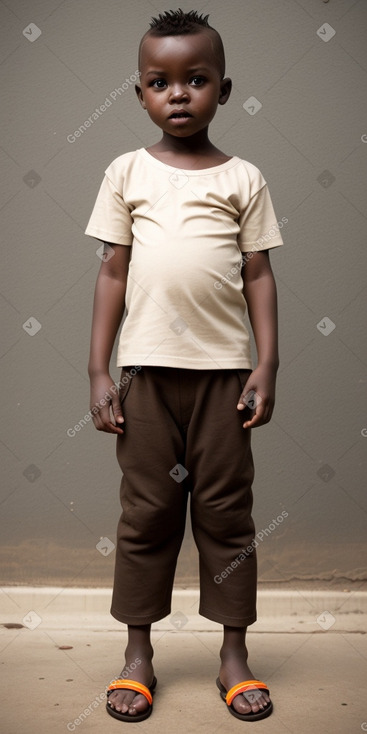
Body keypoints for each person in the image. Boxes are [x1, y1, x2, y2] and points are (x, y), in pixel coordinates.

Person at [85, 8, 284, 724]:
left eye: (195, 80)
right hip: (143, 379)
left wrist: (267, 364)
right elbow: (112, 270)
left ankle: (233, 654)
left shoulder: (244, 178)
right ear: (138, 92)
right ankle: (138, 655)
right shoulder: (125, 172)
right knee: (146, 516)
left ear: (222, 90)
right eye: (159, 82)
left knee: (227, 516)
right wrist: (97, 371)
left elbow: (258, 274)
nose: (177, 95)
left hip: (224, 379)